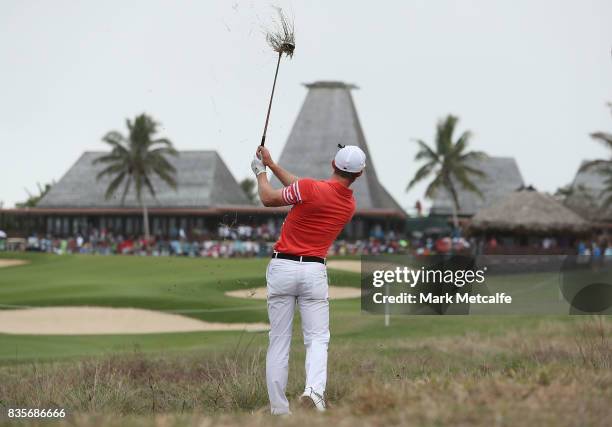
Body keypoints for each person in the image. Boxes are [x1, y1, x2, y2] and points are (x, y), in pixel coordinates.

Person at [251, 144, 366, 415]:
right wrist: (272, 164)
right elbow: (302, 189)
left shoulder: (310, 188)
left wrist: (260, 172)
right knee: (317, 338)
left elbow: (268, 198)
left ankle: (279, 410)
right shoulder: (349, 204)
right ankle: (314, 393)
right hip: (314, 271)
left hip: (282, 267)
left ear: (332, 163)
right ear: (358, 175)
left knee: (279, 340)